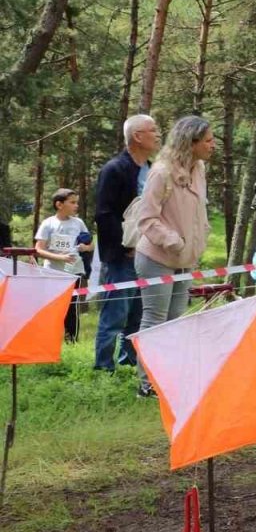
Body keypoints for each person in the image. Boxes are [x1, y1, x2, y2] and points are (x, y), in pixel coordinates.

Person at [133, 116, 214, 398]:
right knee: (155, 320)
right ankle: (147, 384)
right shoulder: (162, 172)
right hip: (156, 257)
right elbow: (146, 219)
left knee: (175, 320)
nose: (212, 145)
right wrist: (174, 242)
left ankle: (168, 378)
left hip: (185, 260)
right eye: (207, 140)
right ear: (190, 143)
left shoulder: (199, 168)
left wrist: (198, 240)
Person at [92, 114, 160, 371]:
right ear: (137, 136)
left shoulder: (152, 170)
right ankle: (103, 368)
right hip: (122, 256)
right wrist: (125, 247)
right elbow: (104, 214)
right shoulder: (114, 169)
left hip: (148, 255)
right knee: (115, 314)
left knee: (138, 314)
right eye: (152, 130)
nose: (157, 135)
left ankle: (130, 363)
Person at [34, 188, 93, 342]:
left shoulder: (78, 223)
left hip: (75, 271)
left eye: (77, 203)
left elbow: (89, 245)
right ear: (59, 204)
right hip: (53, 271)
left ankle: (71, 339)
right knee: (53, 306)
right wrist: (60, 257)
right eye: (72, 202)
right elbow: (39, 249)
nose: (76, 206)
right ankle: (49, 338)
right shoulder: (48, 223)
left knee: (72, 307)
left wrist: (84, 247)